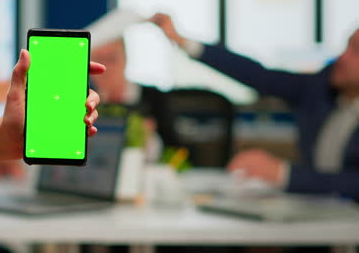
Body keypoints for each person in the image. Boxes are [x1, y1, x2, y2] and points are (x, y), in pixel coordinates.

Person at [151, 13, 359, 198]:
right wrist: (183, 41)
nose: (342, 57)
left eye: (356, 51)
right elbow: (260, 76)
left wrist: (283, 174)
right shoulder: (321, 86)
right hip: (320, 214)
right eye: (347, 46)